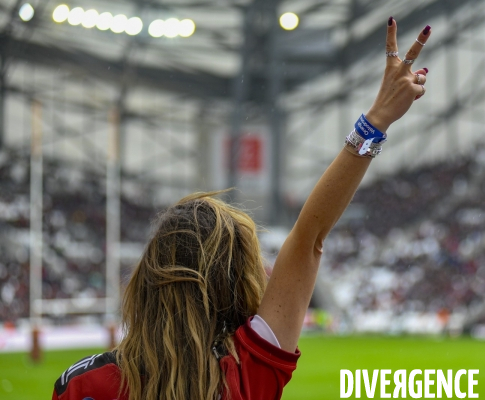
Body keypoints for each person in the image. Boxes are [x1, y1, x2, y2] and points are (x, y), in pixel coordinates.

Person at [52, 17, 432, 400]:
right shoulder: (247, 373)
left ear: (150, 275)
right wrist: (375, 121)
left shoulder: (81, 384)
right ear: (233, 286)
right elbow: (308, 238)